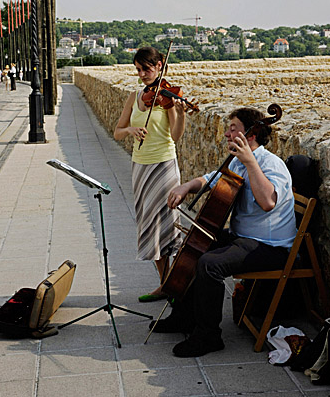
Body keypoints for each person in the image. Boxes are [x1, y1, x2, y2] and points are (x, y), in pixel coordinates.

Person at [151, 106, 297, 357]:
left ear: (251, 134)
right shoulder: (237, 162)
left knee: (210, 264)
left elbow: (268, 202)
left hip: (270, 246)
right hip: (244, 238)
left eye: (233, 130)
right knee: (195, 248)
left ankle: (208, 336)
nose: (227, 135)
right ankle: (184, 317)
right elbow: (209, 179)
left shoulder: (271, 164)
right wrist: (186, 186)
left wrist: (250, 162)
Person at [114, 46, 187, 302]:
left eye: (146, 68)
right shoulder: (135, 96)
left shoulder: (168, 97)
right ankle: (165, 283)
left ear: (159, 65)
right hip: (140, 166)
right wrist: (132, 130)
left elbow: (176, 136)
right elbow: (117, 131)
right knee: (148, 225)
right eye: (138, 69)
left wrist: (180, 112)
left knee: (165, 223)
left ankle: (172, 284)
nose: (142, 74)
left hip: (164, 166)